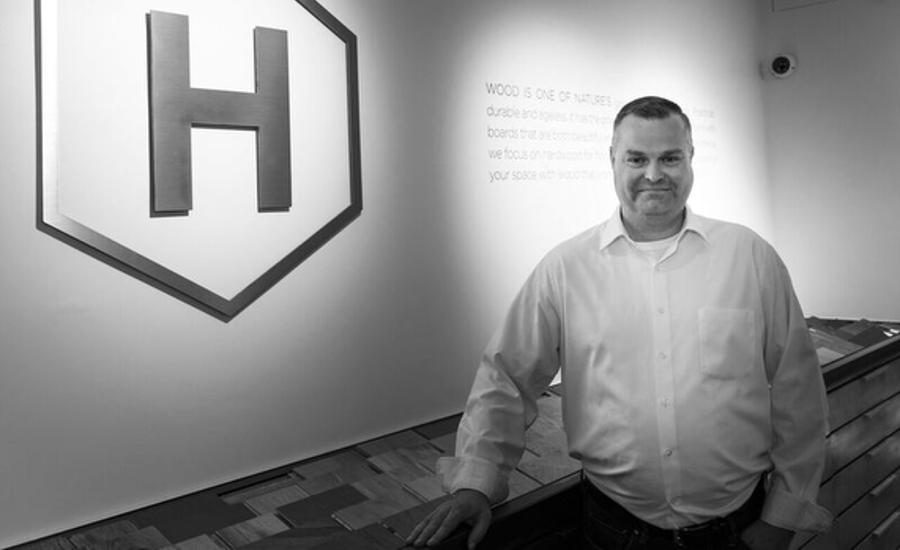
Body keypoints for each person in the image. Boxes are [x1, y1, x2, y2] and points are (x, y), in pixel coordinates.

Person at [407, 96, 832, 549]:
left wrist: (783, 517)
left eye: (670, 158)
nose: (654, 174)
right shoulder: (566, 268)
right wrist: (476, 482)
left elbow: (798, 388)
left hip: (737, 527)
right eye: (637, 159)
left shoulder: (749, 257)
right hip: (613, 528)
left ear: (691, 157)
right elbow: (507, 377)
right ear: (612, 159)